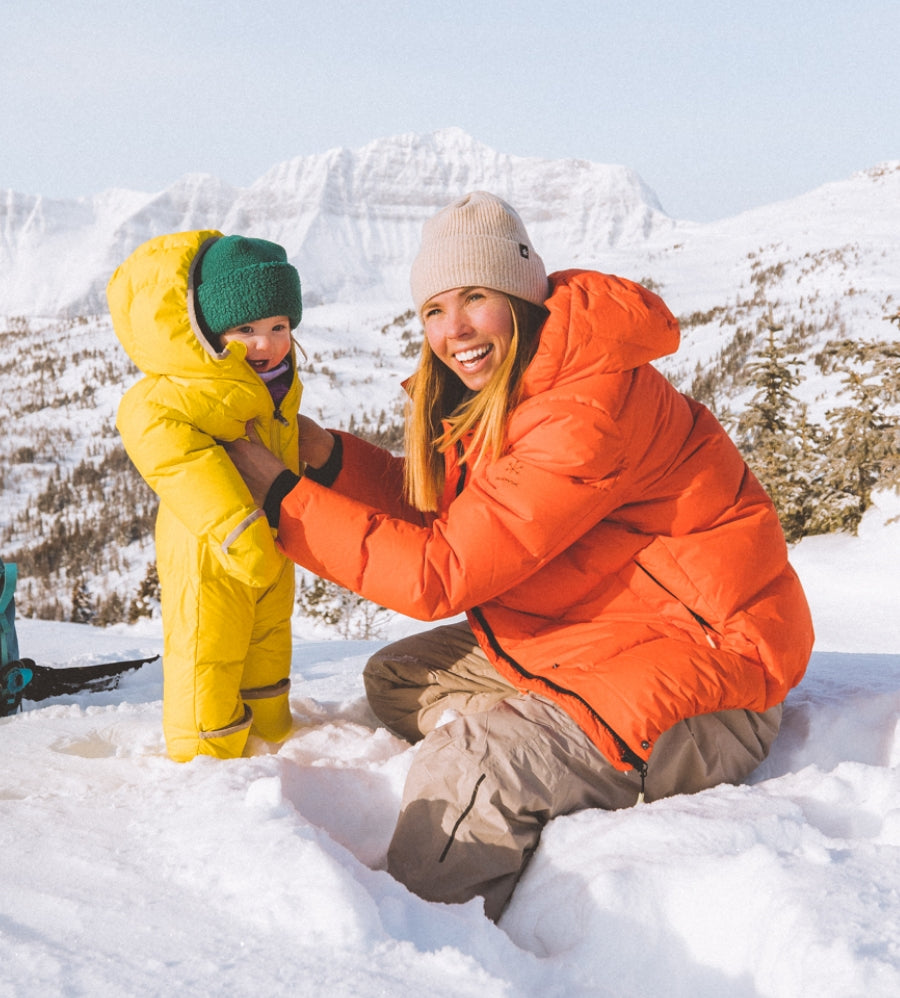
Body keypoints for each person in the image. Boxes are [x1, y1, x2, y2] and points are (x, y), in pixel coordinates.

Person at [225, 192, 814, 919]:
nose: (454, 329)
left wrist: (280, 495)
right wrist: (326, 462)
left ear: (522, 294)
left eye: (475, 297)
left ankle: (433, 950)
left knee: (468, 772)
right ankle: (550, 748)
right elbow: (461, 515)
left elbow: (439, 571)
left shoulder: (583, 410)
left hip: (711, 677)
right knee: (398, 679)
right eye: (434, 309)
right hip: (602, 634)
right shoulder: (528, 380)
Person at [108, 231, 308, 762]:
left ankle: (272, 735)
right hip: (209, 549)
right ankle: (205, 761)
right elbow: (159, 439)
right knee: (207, 655)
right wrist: (236, 526)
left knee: (267, 646)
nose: (266, 343)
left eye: (279, 327)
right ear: (212, 329)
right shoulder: (183, 387)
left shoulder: (275, 382)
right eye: (246, 329)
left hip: (271, 542)